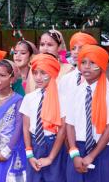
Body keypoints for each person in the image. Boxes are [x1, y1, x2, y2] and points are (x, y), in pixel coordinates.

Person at [65, 45, 109, 182]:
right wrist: (74, 154)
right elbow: (69, 125)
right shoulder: (74, 92)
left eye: (92, 62)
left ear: (102, 66)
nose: (87, 67)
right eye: (83, 62)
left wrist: (91, 156)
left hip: (102, 150)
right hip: (78, 149)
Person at [21, 54, 67, 182]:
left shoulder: (62, 98)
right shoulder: (29, 98)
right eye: (35, 73)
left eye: (43, 73)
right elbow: (26, 127)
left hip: (54, 145)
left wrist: (51, 158)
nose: (38, 77)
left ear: (52, 73)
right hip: (34, 145)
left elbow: (62, 129)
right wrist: (29, 154)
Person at [0, 59, 26, 181]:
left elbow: (19, 127)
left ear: (12, 79)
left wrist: (7, 151)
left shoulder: (18, 100)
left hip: (11, 152)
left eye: (2, 75)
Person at [58, 32, 98, 112]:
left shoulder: (99, 79)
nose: (76, 52)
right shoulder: (66, 79)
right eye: (73, 48)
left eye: (81, 48)